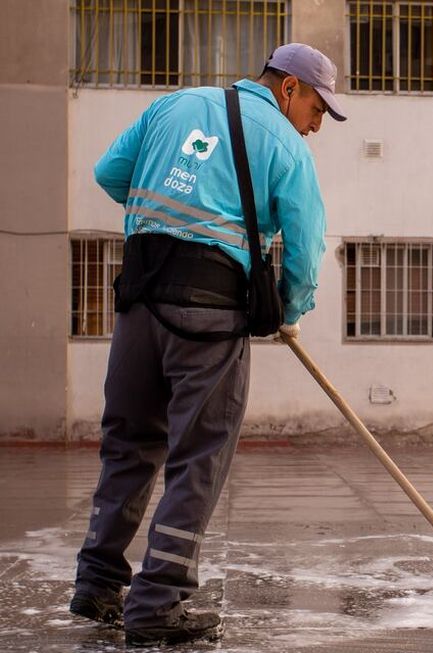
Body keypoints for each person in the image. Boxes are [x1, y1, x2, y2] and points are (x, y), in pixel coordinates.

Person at [69, 43, 345, 647]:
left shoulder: (174, 105)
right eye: (317, 109)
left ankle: (97, 584)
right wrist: (289, 310)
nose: (317, 124)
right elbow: (304, 247)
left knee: (129, 445)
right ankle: (157, 605)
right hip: (211, 313)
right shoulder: (287, 146)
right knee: (198, 457)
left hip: (139, 300)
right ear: (289, 88)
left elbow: (109, 174)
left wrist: (174, 212)